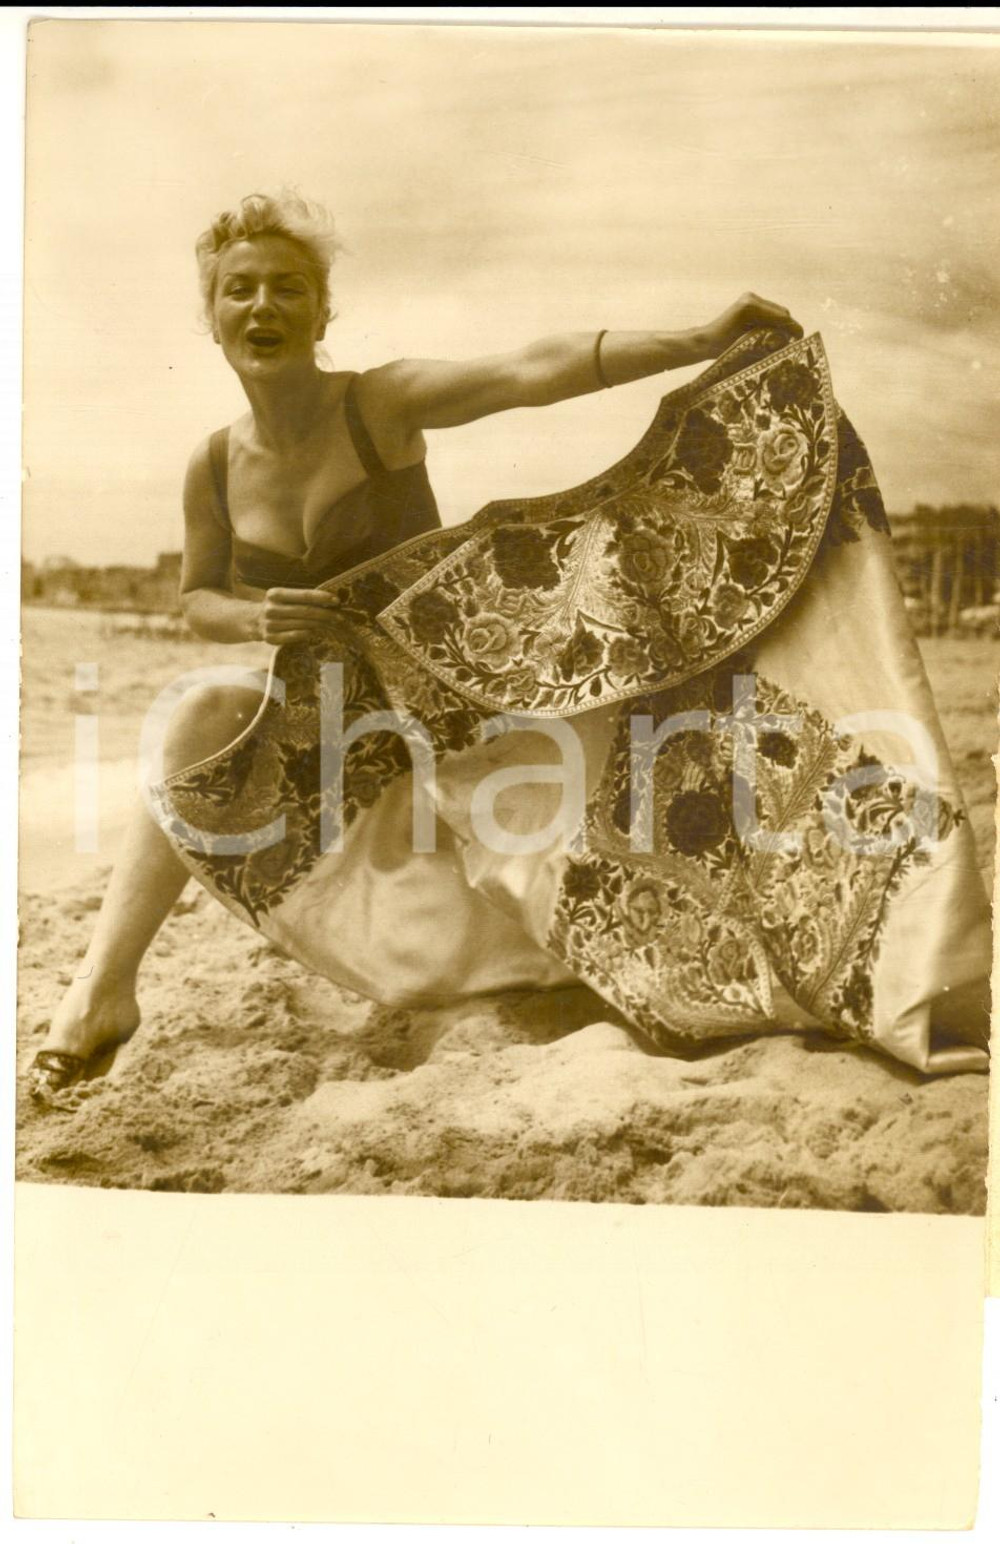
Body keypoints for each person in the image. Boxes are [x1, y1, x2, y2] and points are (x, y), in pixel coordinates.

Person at [29, 190, 809, 1100]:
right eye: (238, 290)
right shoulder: (211, 463)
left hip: (462, 712)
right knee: (201, 712)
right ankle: (99, 993)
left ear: (324, 311)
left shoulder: (379, 404)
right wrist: (257, 620)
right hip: (342, 731)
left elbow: (527, 369)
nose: (262, 308)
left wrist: (697, 339)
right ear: (209, 317)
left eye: (288, 288)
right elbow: (198, 596)